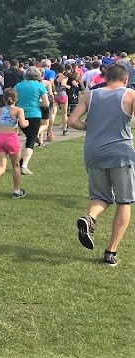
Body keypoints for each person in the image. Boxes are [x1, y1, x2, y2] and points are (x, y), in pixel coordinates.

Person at [68, 63, 135, 266]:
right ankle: (110, 252)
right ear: (125, 79)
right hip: (121, 153)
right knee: (124, 202)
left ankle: (89, 218)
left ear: (106, 78)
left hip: (94, 152)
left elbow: (72, 121)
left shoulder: (91, 95)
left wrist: (91, 126)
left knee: (101, 196)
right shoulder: (130, 94)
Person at [0, 88, 28, 200]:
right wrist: (27, 122)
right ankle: (16, 190)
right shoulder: (19, 110)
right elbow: (23, 124)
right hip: (11, 138)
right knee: (16, 165)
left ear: (4, 99)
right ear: (16, 99)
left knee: (1, 166)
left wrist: (3, 125)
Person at [14, 67, 50, 175]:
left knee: (29, 137)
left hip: (21, 114)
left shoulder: (19, 85)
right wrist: (36, 103)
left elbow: (14, 99)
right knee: (31, 141)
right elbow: (46, 103)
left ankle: (20, 161)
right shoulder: (40, 86)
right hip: (34, 114)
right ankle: (24, 165)